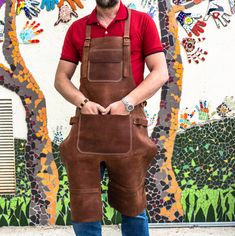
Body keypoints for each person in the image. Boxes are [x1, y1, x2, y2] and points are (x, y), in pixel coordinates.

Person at [54, 0, 169, 235]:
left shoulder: (142, 22)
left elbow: (160, 72)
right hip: (87, 132)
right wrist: (83, 103)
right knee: (83, 205)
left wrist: (126, 103)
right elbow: (61, 79)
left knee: (134, 206)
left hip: (128, 129)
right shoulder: (77, 28)